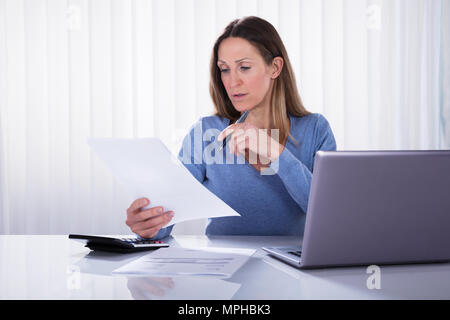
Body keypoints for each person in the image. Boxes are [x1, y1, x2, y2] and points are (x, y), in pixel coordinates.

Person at [125, 16, 336, 240]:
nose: (232, 81)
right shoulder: (206, 133)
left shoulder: (315, 129)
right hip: (222, 269)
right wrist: (148, 224)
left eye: (244, 67)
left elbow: (330, 215)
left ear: (274, 67)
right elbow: (167, 218)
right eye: (224, 69)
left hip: (293, 270)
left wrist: (276, 152)